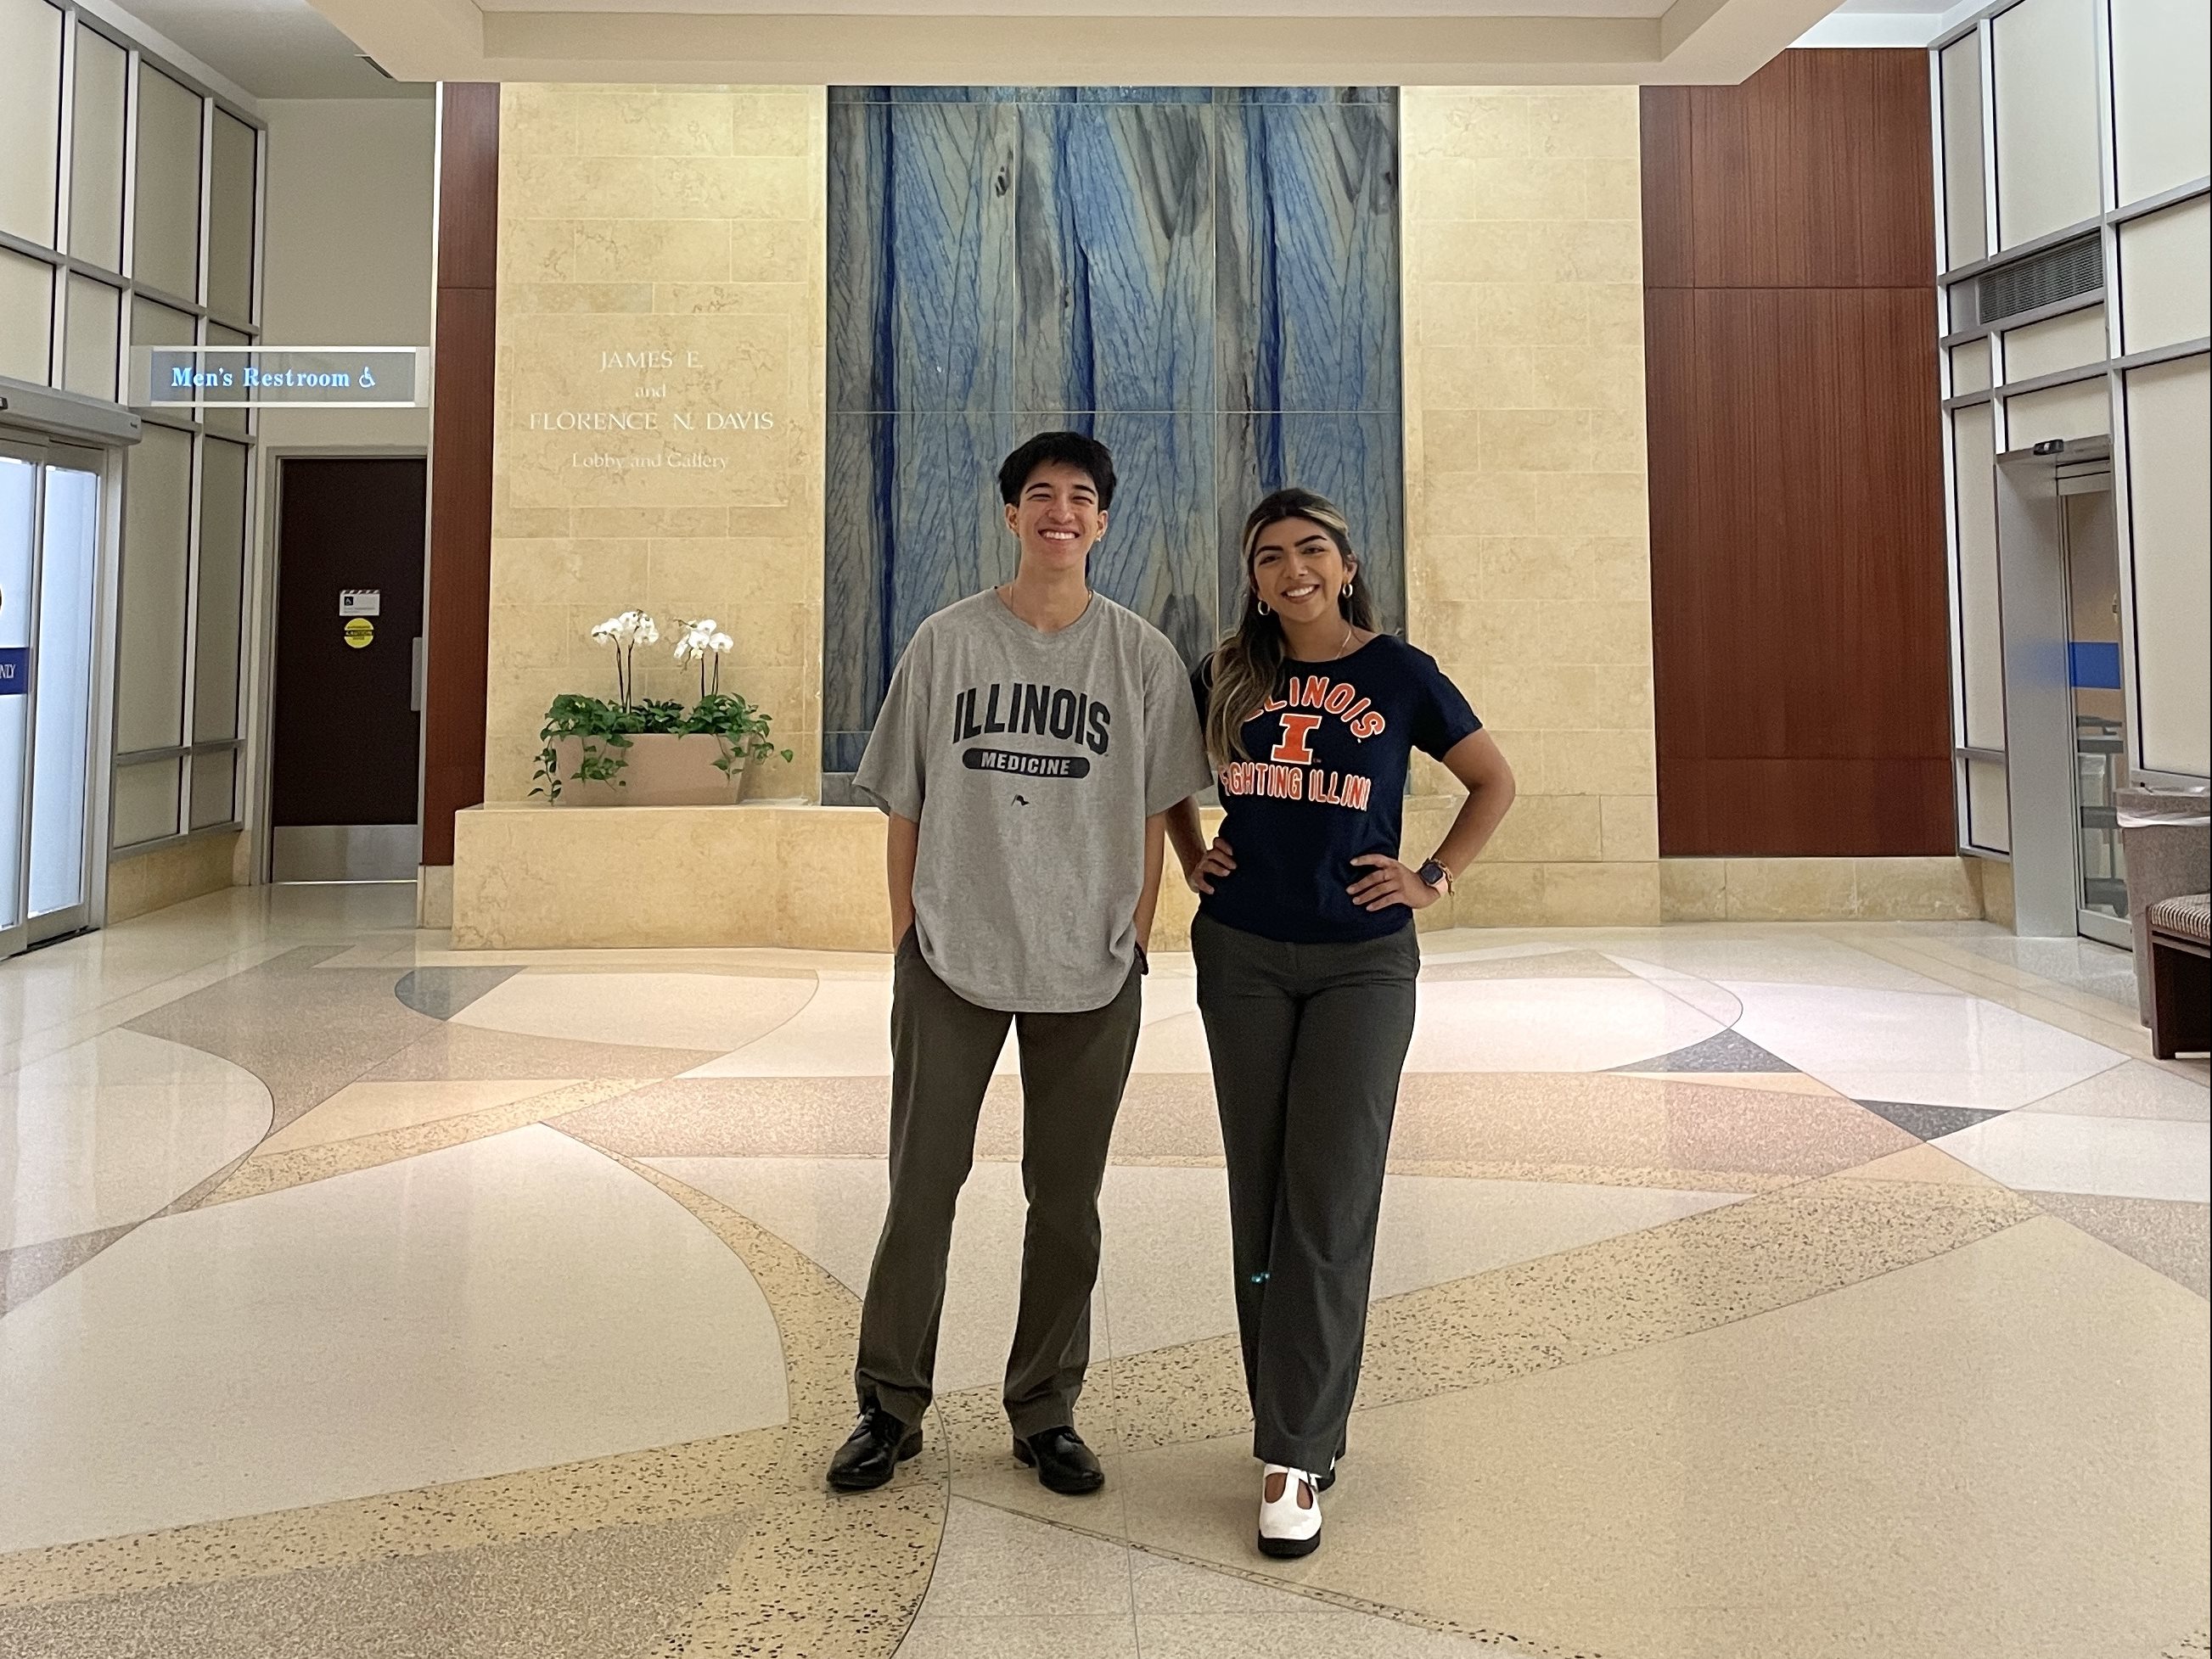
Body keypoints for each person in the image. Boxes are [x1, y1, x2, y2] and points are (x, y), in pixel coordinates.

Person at [828, 430, 1213, 1498]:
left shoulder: (1136, 655)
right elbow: (900, 801)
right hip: (952, 954)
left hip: (1089, 963)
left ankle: (1045, 1409)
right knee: (922, 1187)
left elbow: (1156, 807)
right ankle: (888, 1405)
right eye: (1038, 494)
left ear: (1101, 521)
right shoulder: (946, 642)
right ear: (1010, 516)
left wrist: (1137, 928)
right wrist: (907, 931)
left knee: (1066, 1198)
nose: (1058, 510)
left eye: (1079, 497)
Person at [1165, 487, 1515, 1558]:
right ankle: (1291, 1411)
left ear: (1346, 564)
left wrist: (1432, 877)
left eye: (1309, 550)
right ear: (1254, 575)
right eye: (1268, 556)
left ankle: (1293, 1451)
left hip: (1360, 964)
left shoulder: (1397, 673)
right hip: (1241, 957)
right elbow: (1161, 777)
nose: (1291, 570)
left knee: (1329, 1193)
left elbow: (1492, 779)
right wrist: (1192, 852)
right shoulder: (1228, 670)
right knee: (1260, 1190)